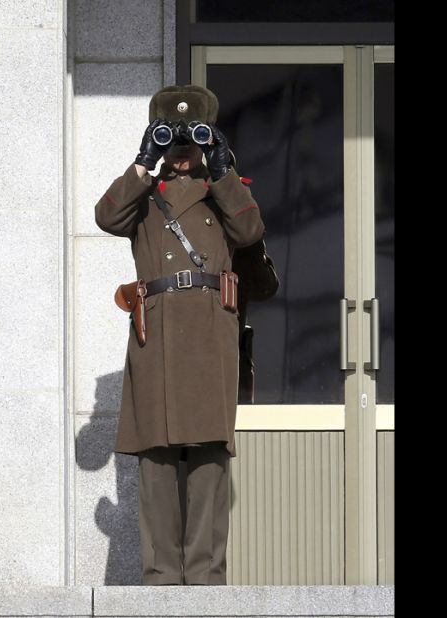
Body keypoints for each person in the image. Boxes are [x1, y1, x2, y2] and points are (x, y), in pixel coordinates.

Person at [95, 85, 267, 585]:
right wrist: (142, 161)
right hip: (157, 340)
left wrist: (221, 166)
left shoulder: (226, 189)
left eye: (194, 140)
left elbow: (250, 232)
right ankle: (161, 582)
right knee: (157, 460)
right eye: (172, 140)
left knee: (209, 459)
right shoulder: (144, 198)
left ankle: (207, 580)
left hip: (211, 337)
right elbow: (106, 217)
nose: (183, 152)